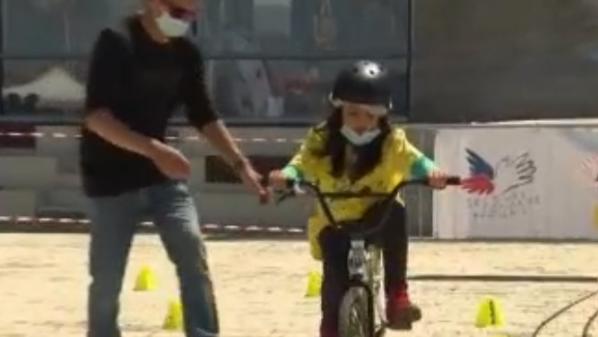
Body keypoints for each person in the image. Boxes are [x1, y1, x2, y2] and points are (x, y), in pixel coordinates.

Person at [79, 1, 268, 336]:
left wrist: (242, 166)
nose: (185, 21)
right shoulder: (116, 41)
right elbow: (97, 118)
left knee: (191, 248)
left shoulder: (186, 54)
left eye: (192, 15)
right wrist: (153, 149)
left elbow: (204, 115)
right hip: (110, 179)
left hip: (162, 177)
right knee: (106, 278)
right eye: (179, 12)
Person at [268, 60, 450, 337]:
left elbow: (417, 161)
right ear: (339, 110)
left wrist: (433, 174)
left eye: (370, 116)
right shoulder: (321, 139)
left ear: (381, 117)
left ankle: (397, 297)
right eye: (353, 114)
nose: (361, 123)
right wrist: (287, 175)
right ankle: (330, 328)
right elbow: (301, 163)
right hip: (335, 222)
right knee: (333, 282)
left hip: (375, 218)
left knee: (396, 214)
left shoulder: (392, 141)